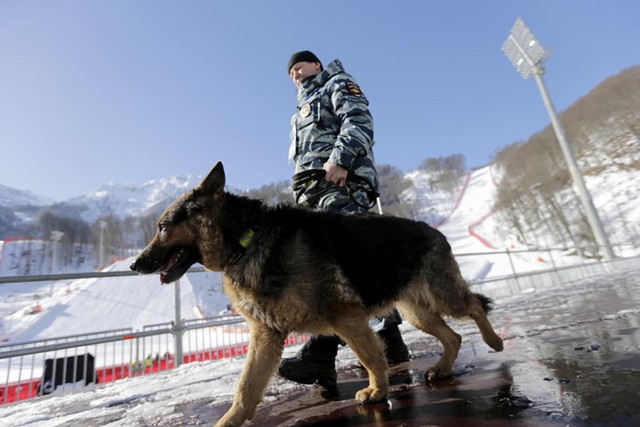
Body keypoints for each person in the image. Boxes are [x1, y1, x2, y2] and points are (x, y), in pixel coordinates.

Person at [279, 50, 409, 396]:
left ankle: (321, 355)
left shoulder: (336, 84)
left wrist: (340, 160)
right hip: (314, 196)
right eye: (291, 71)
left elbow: (359, 121)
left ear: (316, 65)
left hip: (341, 184)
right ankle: (390, 344)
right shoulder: (299, 111)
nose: (295, 74)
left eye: (299, 67)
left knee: (341, 270)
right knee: (352, 269)